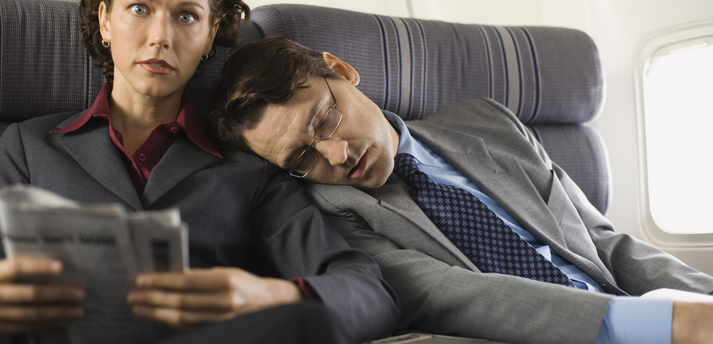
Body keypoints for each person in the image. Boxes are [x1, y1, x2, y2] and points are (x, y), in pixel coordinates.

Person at [0, 0, 398, 344]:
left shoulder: (248, 168)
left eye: (186, 17)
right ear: (105, 20)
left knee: (306, 315)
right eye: (140, 8)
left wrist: (267, 296)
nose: (161, 36)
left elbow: (368, 293)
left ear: (210, 34)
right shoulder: (30, 146)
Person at [208, 36, 713, 344]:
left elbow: (605, 242)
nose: (335, 155)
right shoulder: (333, 211)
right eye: (302, 158)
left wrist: (699, 302)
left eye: (326, 119)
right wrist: (661, 325)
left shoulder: (488, 122)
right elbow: (454, 295)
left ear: (341, 71)